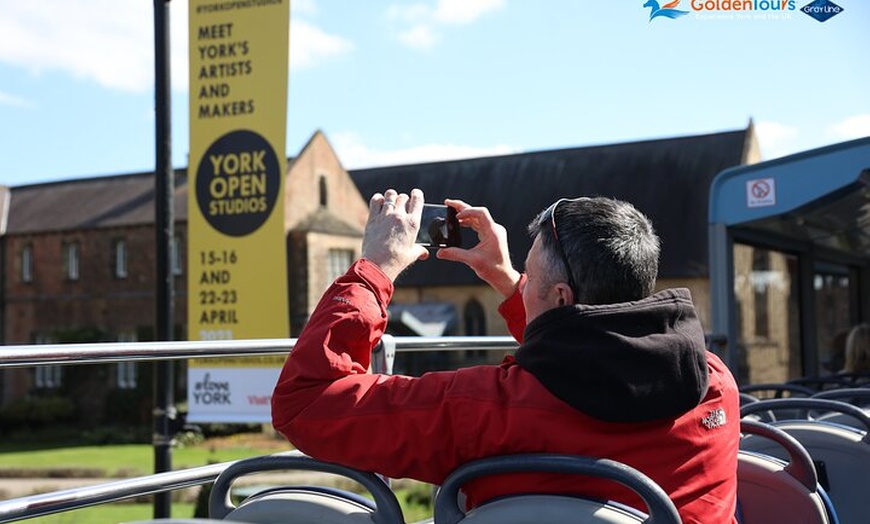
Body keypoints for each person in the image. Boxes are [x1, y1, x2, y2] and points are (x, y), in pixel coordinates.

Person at [271, 188, 740, 524]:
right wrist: (506, 278)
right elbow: (589, 351)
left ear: (559, 297)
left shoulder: (484, 409)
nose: (522, 279)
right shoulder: (714, 384)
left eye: (528, 275)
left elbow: (307, 402)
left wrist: (374, 272)